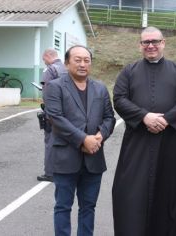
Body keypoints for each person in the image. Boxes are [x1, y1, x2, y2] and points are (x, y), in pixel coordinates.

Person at [112, 26, 176, 236]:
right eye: (146, 42)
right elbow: (119, 99)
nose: (150, 46)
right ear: (140, 45)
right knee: (129, 193)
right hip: (137, 142)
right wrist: (144, 116)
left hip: (169, 143)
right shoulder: (129, 71)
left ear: (163, 43)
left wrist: (166, 119)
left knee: (167, 194)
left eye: (155, 41)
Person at [44, 45, 115, 235]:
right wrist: (84, 139)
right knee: (63, 206)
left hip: (94, 158)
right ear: (67, 63)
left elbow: (110, 117)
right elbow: (55, 118)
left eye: (87, 60)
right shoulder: (55, 86)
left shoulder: (100, 88)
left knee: (88, 207)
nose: (83, 64)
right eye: (77, 60)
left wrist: (100, 136)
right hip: (65, 157)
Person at [37, 48, 67, 182]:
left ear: (48, 56)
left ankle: (49, 172)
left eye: (44, 59)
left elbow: (46, 91)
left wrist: (47, 109)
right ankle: (63, 168)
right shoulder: (66, 67)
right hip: (67, 110)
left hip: (53, 111)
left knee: (50, 141)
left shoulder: (50, 70)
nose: (44, 62)